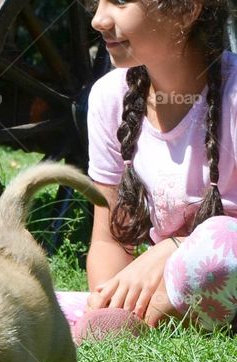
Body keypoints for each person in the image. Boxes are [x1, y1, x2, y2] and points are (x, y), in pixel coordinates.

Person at [59, 0, 236, 339]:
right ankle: (128, 322)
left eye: (120, 2)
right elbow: (109, 239)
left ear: (186, 9)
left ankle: (140, 325)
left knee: (221, 245)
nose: (98, 19)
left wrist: (174, 248)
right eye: (98, 3)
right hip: (168, 292)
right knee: (15, 301)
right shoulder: (109, 98)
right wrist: (109, 301)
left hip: (220, 270)